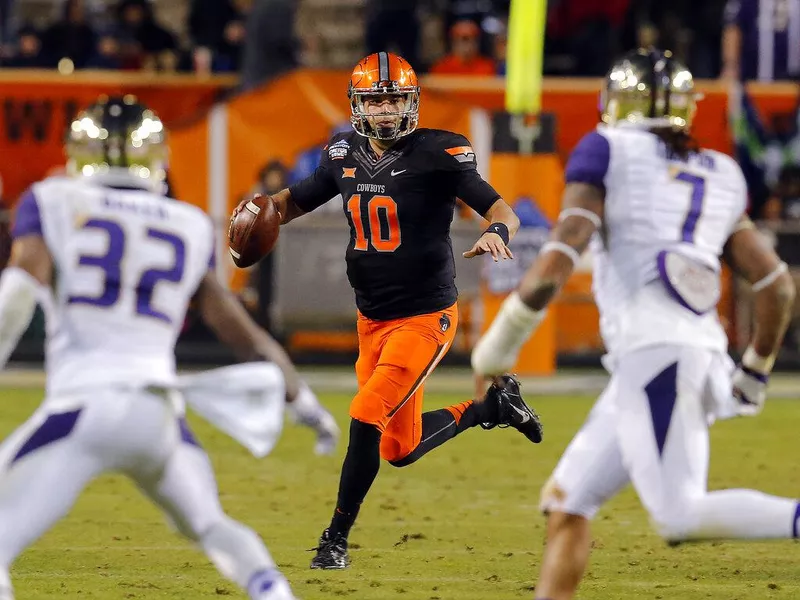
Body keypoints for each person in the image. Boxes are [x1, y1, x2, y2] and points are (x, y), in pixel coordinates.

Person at [471, 48, 798, 600]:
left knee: (678, 516)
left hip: (659, 355)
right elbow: (775, 284)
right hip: (678, 354)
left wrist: (494, 351)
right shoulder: (720, 170)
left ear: (616, 101)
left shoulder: (606, 148)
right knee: (567, 500)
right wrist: (756, 372)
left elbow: (556, 262)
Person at [0, 96, 336, 600]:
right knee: (211, 526)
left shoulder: (53, 200)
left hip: (83, 408)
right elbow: (241, 333)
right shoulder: (188, 223)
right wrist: (302, 400)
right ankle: (273, 591)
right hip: (158, 414)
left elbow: (19, 293)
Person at [233, 51, 544, 570]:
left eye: (394, 99)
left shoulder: (441, 151)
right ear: (358, 104)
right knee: (399, 448)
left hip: (425, 318)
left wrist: (495, 231)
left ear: (411, 102)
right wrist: (259, 213)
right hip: (371, 319)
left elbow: (500, 209)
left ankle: (334, 539)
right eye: (375, 100)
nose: (383, 110)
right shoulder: (342, 152)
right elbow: (293, 202)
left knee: (363, 413)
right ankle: (493, 408)